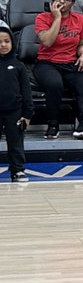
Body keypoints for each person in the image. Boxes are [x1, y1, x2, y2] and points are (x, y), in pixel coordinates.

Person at [34, 0, 83, 140]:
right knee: (55, 84)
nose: (61, 1)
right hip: (47, 62)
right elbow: (47, 41)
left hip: (70, 62)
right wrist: (57, 18)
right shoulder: (43, 18)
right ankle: (53, 124)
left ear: (73, 3)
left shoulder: (80, 19)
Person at [0, 25, 30, 182]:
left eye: (7, 41)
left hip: (14, 112)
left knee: (16, 143)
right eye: (0, 42)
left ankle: (18, 170)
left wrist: (27, 113)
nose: (3, 45)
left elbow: (26, 92)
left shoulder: (19, 65)